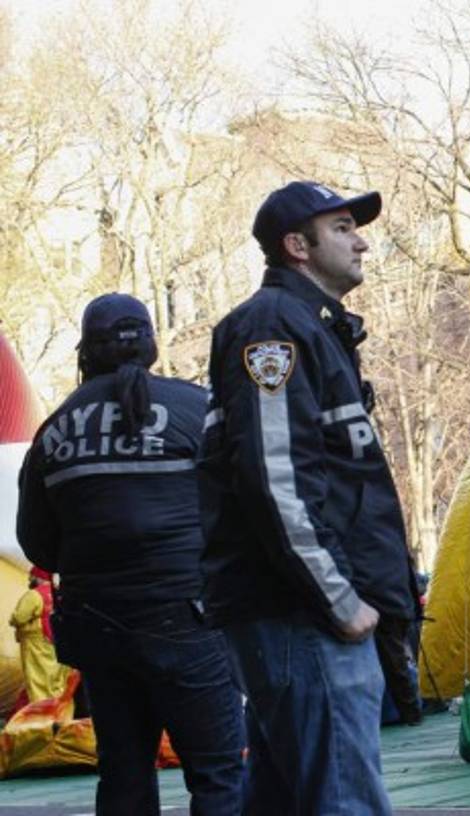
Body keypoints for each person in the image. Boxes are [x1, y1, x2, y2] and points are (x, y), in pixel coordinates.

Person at [199, 181, 421, 814]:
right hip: (303, 614)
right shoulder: (274, 326)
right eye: (343, 229)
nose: (362, 243)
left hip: (297, 610)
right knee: (345, 800)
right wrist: (339, 599)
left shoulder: (311, 328)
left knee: (282, 798)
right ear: (298, 247)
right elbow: (274, 475)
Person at [16, 293, 244, 815]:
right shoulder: (197, 409)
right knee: (219, 773)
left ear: (86, 351)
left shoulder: (54, 430)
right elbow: (243, 506)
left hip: (99, 627)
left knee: (123, 776)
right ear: (151, 345)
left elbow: (37, 544)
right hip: (188, 619)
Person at [8, 566, 70, 704]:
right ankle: (56, 711)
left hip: (36, 645)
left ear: (38, 576)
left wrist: (12, 620)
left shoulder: (34, 595)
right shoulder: (59, 594)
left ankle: (40, 713)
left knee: (37, 680)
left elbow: (19, 617)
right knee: (55, 682)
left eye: (31, 576)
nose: (29, 579)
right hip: (57, 643)